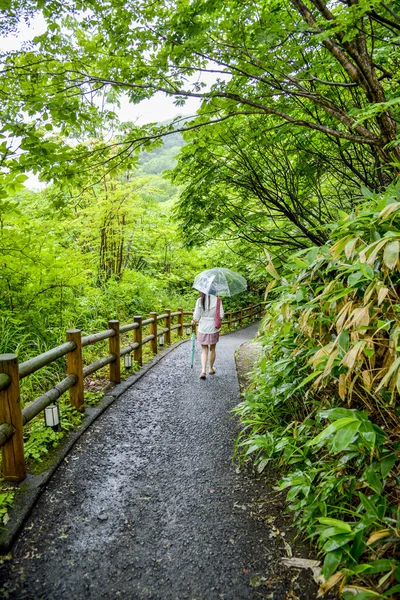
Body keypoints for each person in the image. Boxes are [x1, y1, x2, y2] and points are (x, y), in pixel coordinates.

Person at [192, 292, 224, 380]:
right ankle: (211, 368)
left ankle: (203, 371)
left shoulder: (200, 300)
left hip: (203, 328)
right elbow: (221, 315)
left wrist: (194, 321)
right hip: (213, 327)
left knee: (204, 350)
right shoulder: (218, 300)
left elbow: (197, 315)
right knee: (212, 349)